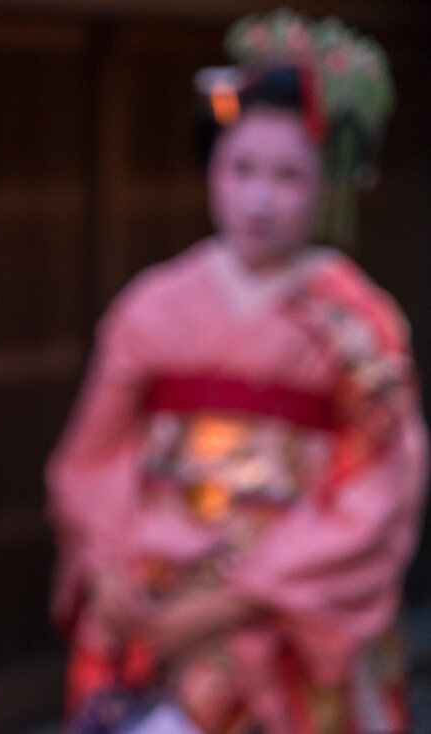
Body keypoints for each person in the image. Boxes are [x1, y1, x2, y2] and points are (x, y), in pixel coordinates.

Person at [46, 10, 427, 734]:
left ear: (329, 185)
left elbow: (380, 485)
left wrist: (241, 597)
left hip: (287, 605)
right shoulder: (153, 305)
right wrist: (106, 568)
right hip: (151, 592)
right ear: (212, 168)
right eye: (241, 167)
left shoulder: (360, 324)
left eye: (288, 175)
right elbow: (92, 457)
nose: (259, 196)